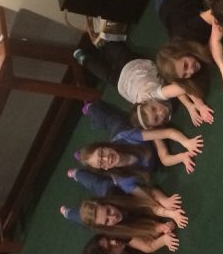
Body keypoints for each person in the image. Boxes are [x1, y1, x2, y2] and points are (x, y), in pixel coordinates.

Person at [69, 101, 203, 188]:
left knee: (110, 117)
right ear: (104, 168)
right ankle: (82, 155)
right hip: (140, 145)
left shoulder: (128, 135)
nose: (106, 158)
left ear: (104, 146)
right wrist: (182, 157)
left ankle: (90, 107)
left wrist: (186, 142)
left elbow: (167, 133)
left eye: (102, 153)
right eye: (101, 163)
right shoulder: (123, 178)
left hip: (121, 130)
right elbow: (164, 158)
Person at [74, 45, 214, 127]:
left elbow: (182, 86)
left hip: (133, 67)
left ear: (149, 101)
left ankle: (103, 46)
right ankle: (85, 59)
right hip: (125, 85)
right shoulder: (146, 119)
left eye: (154, 109)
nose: (161, 112)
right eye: (157, 118)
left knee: (119, 55)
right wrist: (190, 106)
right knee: (107, 75)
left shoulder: (154, 94)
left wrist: (197, 105)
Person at [59, 195, 185, 249]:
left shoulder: (117, 194)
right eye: (107, 221)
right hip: (94, 224)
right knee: (81, 219)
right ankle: (68, 213)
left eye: (108, 210)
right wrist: (163, 239)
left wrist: (165, 207)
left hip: (104, 190)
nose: (113, 217)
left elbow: (149, 195)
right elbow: (147, 246)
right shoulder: (115, 233)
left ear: (107, 203)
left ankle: (77, 174)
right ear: (104, 227)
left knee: (97, 184)